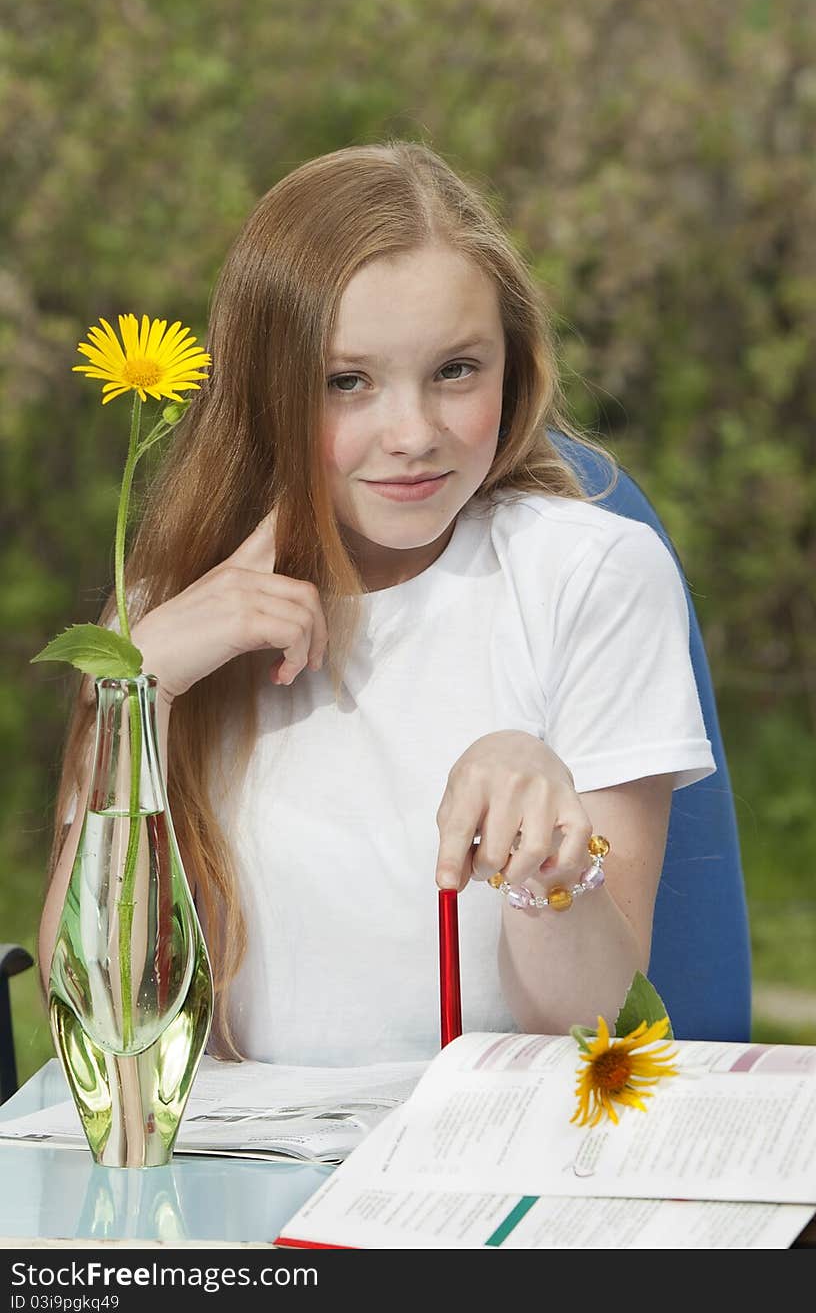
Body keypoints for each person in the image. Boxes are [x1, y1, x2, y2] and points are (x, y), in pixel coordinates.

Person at [38, 140, 716, 1067]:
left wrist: (547, 861)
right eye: (346, 382)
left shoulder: (591, 575)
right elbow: (104, 1025)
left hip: (487, 1164)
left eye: (457, 371)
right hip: (241, 1176)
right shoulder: (155, 624)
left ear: (512, 367)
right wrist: (139, 695)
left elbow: (589, 1020)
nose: (413, 435)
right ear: (266, 392)